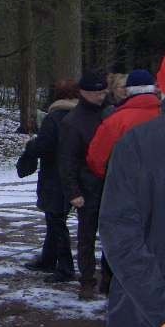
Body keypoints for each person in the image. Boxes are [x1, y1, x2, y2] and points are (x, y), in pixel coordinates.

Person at [99, 34, 165, 327]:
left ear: (164, 87)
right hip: (153, 321)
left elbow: (120, 239)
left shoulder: (137, 144)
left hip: (145, 326)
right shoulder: (137, 145)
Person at [18, 79, 78, 283]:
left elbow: (44, 146)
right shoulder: (81, 116)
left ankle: (65, 267)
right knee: (55, 220)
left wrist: (31, 146)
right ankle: (48, 259)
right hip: (75, 174)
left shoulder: (55, 118)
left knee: (56, 221)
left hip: (55, 175)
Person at [58, 70, 109, 300]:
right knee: (87, 237)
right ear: (84, 93)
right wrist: (73, 192)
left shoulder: (110, 113)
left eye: (103, 91)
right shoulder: (72, 122)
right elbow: (66, 160)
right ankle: (87, 280)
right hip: (87, 188)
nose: (101, 96)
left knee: (111, 235)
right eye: (96, 92)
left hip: (110, 185)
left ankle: (108, 278)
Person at [87, 69, 160, 179]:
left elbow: (96, 159)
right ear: (154, 89)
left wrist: (112, 178)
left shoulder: (116, 121)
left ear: (128, 91)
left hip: (127, 183)